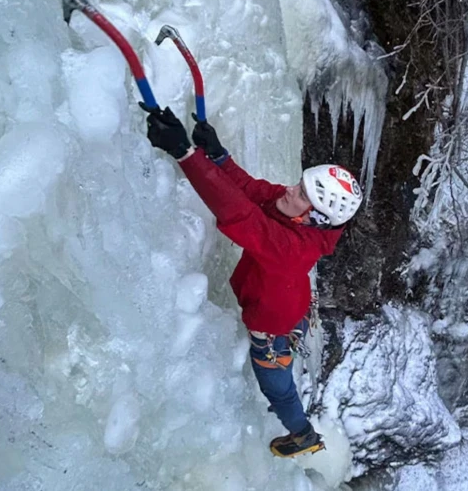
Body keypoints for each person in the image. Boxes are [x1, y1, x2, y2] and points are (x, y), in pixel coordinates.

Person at [140, 104, 363, 457]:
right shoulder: (298, 213)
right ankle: (298, 334)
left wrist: (185, 154)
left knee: (278, 389)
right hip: (291, 301)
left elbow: (238, 212)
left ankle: (303, 434)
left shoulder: (290, 247)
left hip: (271, 328)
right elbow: (252, 190)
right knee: (293, 318)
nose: (291, 190)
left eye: (303, 194)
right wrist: (217, 154)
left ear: (314, 219)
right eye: (300, 184)